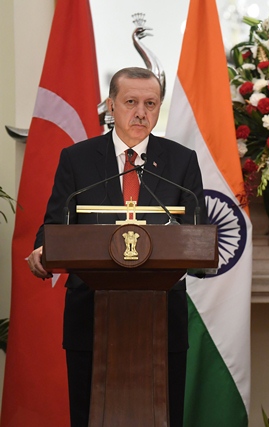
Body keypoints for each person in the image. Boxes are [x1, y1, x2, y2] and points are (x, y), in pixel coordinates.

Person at [26, 67, 206, 427]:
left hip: (161, 321)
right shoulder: (77, 159)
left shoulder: (181, 161)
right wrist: (43, 250)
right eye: (131, 102)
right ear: (111, 105)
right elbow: (54, 227)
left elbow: (195, 236)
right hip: (90, 318)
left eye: (151, 103)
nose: (141, 112)